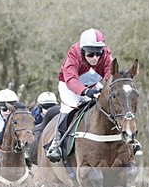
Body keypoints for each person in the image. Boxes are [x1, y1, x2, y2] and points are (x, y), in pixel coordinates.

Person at [45, 28, 141, 162]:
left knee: (111, 102)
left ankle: (128, 136)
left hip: (93, 85)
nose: (95, 57)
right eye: (90, 54)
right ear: (83, 51)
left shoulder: (106, 54)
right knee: (69, 108)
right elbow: (71, 79)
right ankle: (56, 143)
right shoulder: (73, 54)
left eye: (98, 53)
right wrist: (85, 92)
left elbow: (110, 74)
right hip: (70, 86)